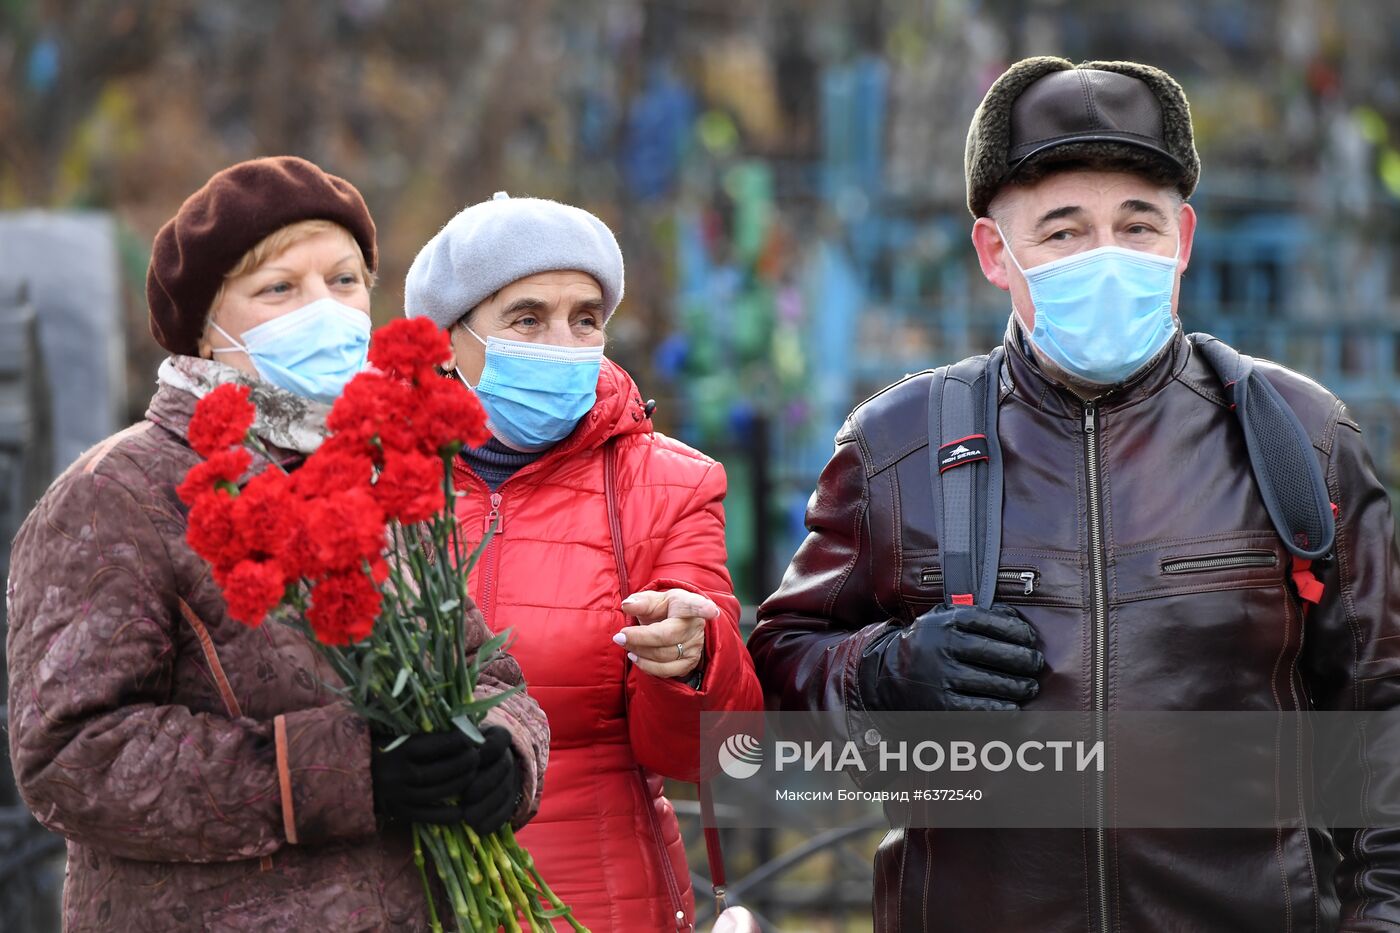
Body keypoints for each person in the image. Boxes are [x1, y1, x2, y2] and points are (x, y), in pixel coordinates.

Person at [749, 57, 1400, 931]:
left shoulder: (1298, 438)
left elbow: (1379, 712)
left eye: (1138, 226)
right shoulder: (897, 448)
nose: (1107, 259)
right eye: (1063, 231)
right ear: (995, 251)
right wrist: (883, 673)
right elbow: (773, 682)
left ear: (1185, 238)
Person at [6, 156, 549, 931]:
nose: (325, 309)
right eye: (279, 289)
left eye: (344, 280)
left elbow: (482, 665)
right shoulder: (113, 494)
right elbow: (70, 756)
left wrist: (504, 746)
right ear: (206, 324)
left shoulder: (375, 466)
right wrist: (339, 773)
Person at [405, 191, 765, 932]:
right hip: (404, 892)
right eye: (527, 318)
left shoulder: (671, 484)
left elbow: (718, 752)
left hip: (596, 903)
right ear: (448, 338)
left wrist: (695, 661)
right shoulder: (374, 479)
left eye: (585, 319)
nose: (562, 343)